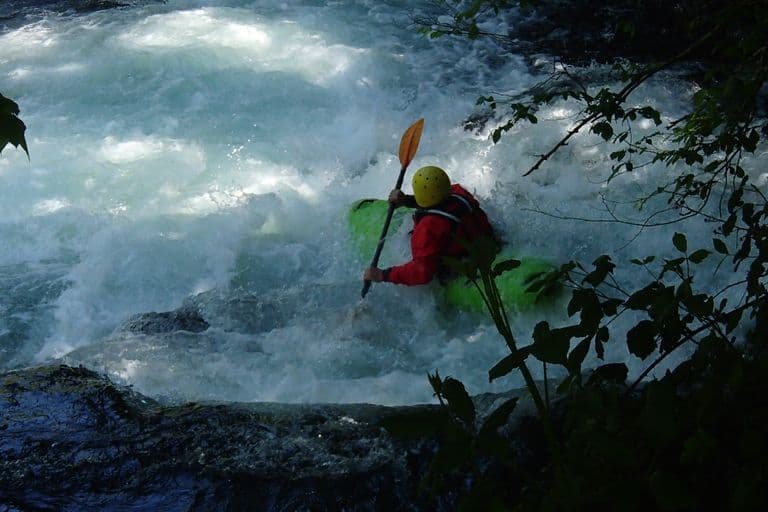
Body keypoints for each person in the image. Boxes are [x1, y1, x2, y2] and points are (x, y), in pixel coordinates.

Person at [363, 165, 497, 286]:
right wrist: (407, 200)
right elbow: (442, 203)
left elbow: (422, 273)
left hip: (462, 266)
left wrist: (384, 275)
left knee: (408, 238)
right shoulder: (459, 192)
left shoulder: (427, 229)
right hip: (488, 242)